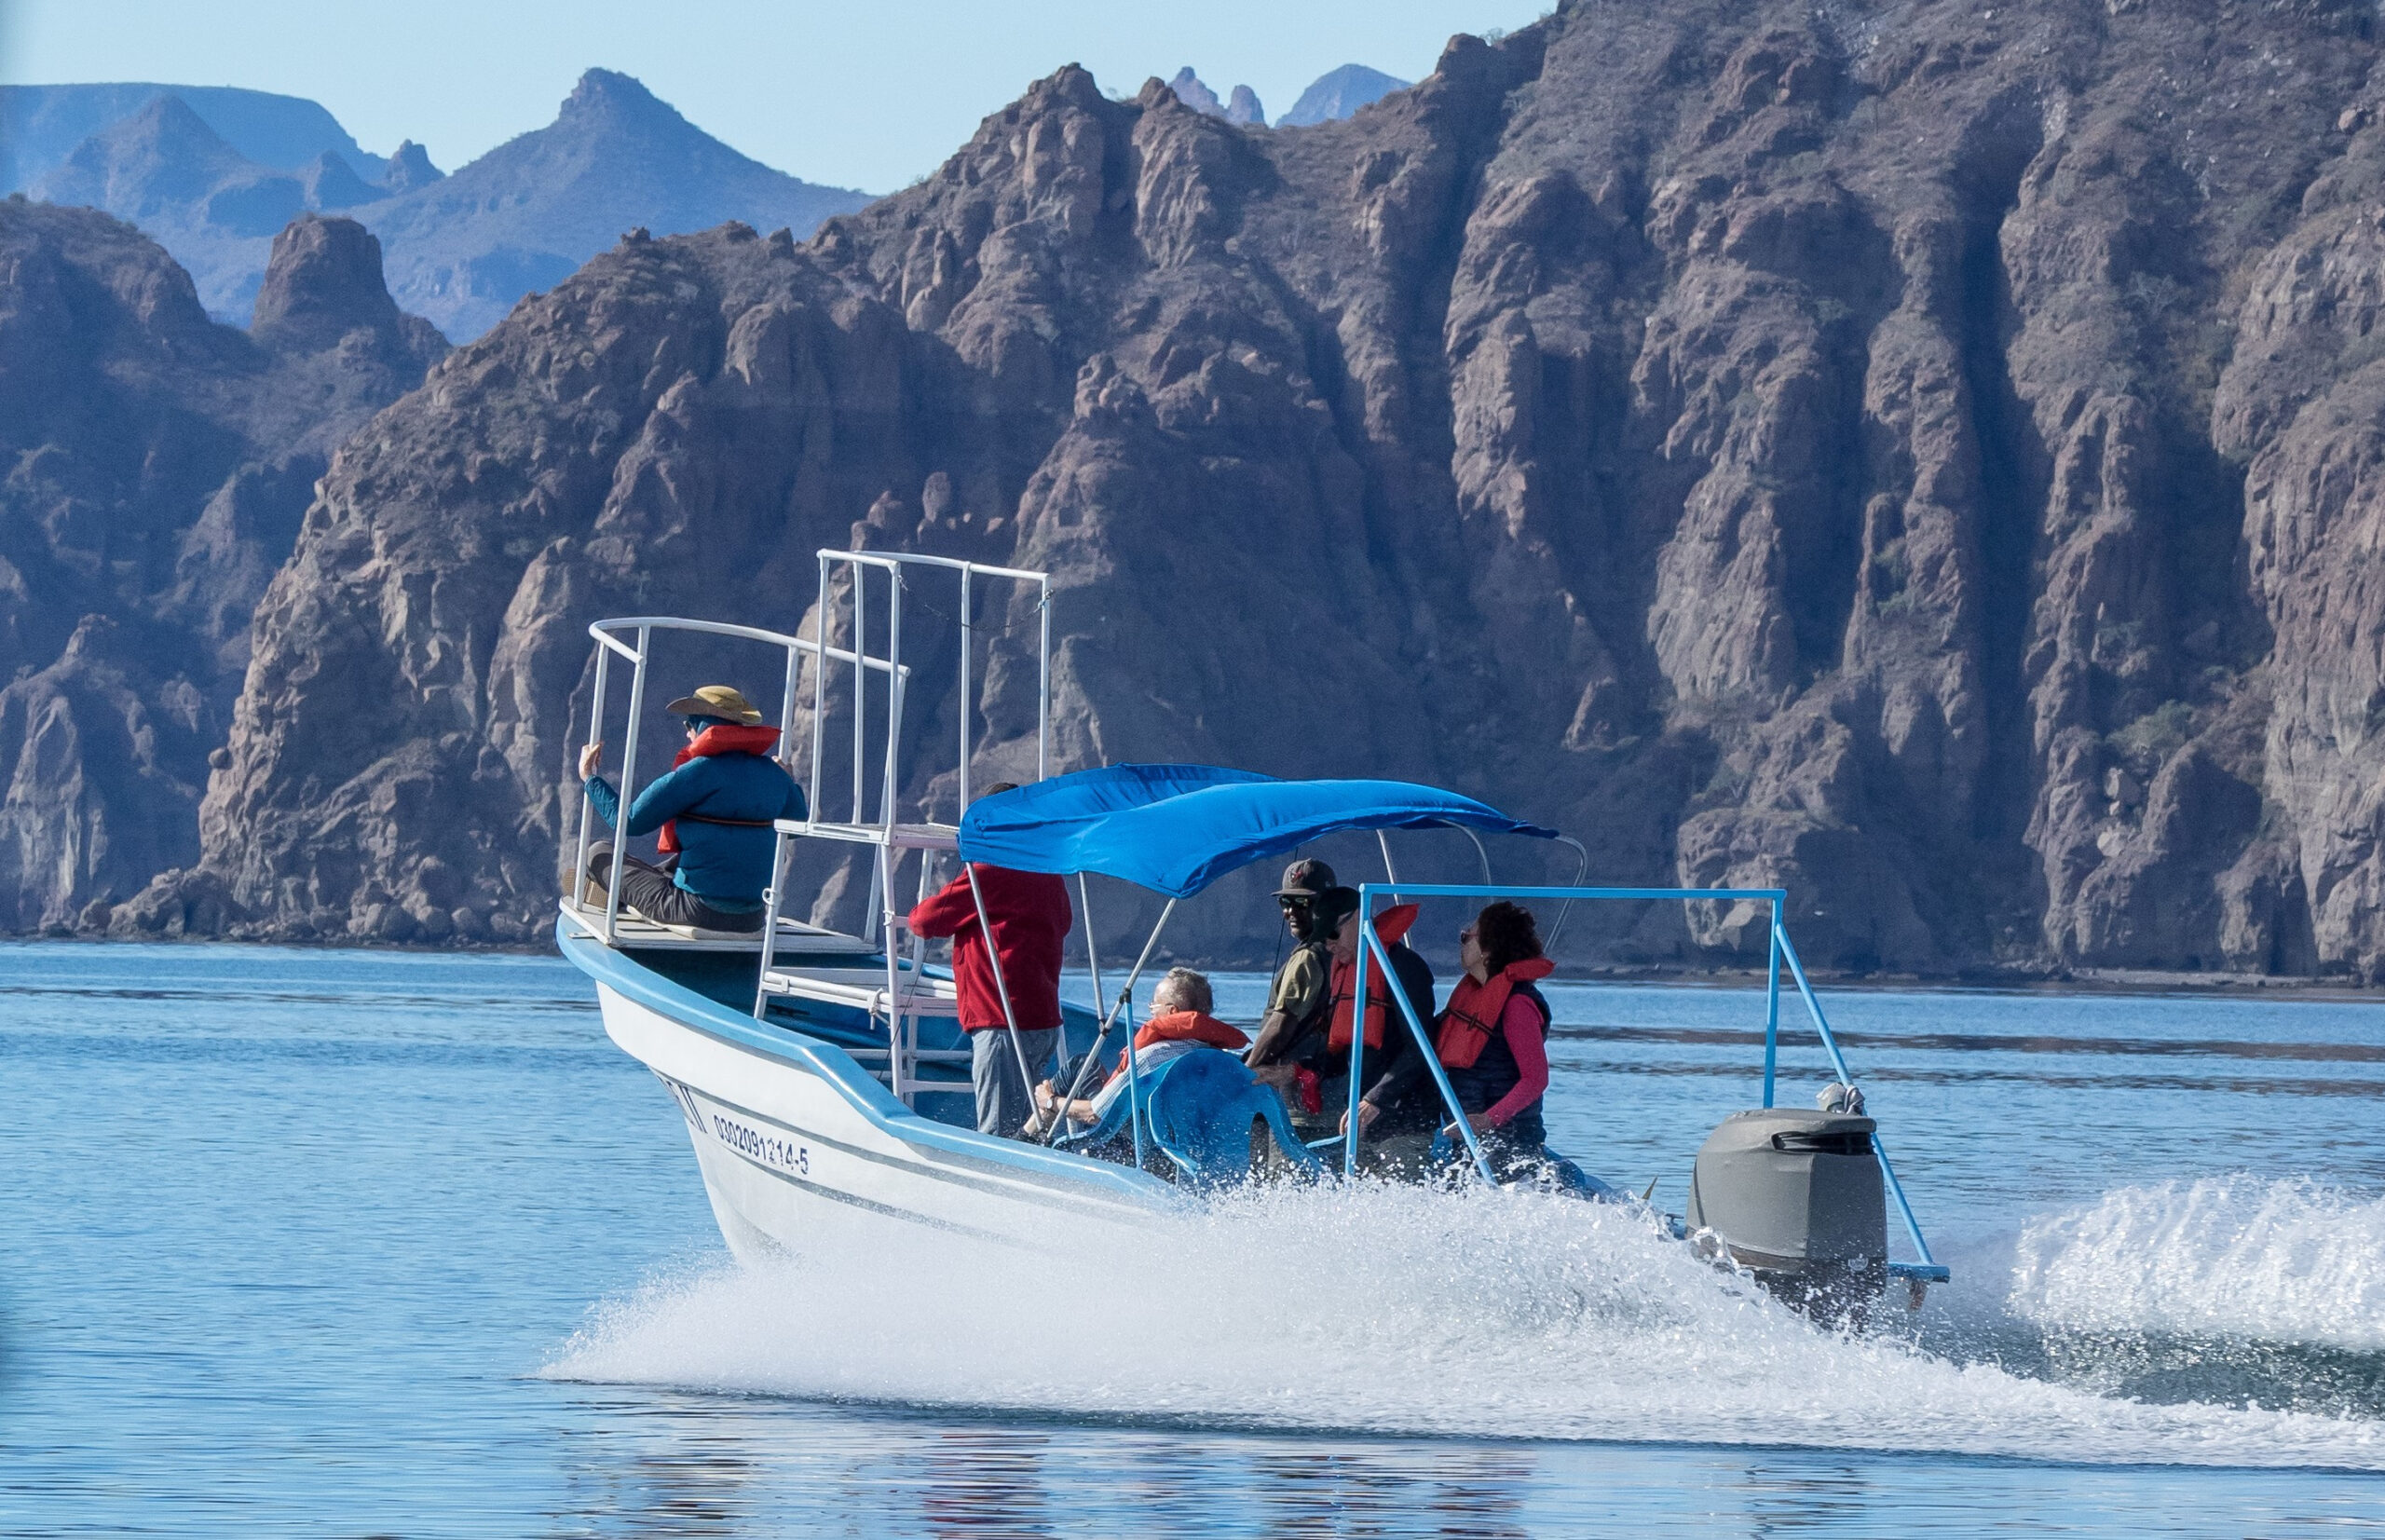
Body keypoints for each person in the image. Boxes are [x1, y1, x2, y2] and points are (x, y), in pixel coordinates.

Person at [908, 784, 1072, 1138]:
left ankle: (999, 1189)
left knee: (998, 1134)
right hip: (1042, 1018)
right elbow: (1065, 922)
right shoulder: (1047, 872)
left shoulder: (991, 871)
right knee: (1028, 1127)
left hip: (1002, 1021)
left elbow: (925, 921)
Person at [578, 685, 806, 932]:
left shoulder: (698, 771)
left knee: (598, 853)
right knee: (677, 864)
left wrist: (590, 778)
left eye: (689, 725)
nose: (687, 734)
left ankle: (616, 889)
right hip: (752, 917)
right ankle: (634, 888)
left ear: (702, 726)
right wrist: (789, 782)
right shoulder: (775, 774)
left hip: (693, 910)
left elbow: (629, 822)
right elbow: (796, 828)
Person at [1354, 900, 1555, 1177]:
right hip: (1468, 1138)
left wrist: (1486, 1120)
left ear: (1488, 949)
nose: (1461, 944)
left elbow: (1536, 1079)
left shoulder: (1517, 1005)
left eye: (1466, 937)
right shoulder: (1472, 999)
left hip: (1508, 1140)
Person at [1031, 967, 1245, 1132]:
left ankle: (1025, 1139)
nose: (1150, 1010)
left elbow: (1095, 1114)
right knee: (1085, 1066)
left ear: (1172, 1011)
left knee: (1075, 1068)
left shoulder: (1152, 1057)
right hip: (1177, 1141)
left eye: (1154, 1005)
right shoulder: (1219, 1062)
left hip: (1130, 1140)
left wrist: (1050, 1101)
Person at [1244, 859, 1341, 1093]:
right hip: (1329, 1091)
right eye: (1284, 902)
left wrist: (1245, 1072)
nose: (1290, 912)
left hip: (1295, 1099)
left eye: (1302, 902)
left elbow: (1280, 1026)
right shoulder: (1341, 950)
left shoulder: (1307, 958)